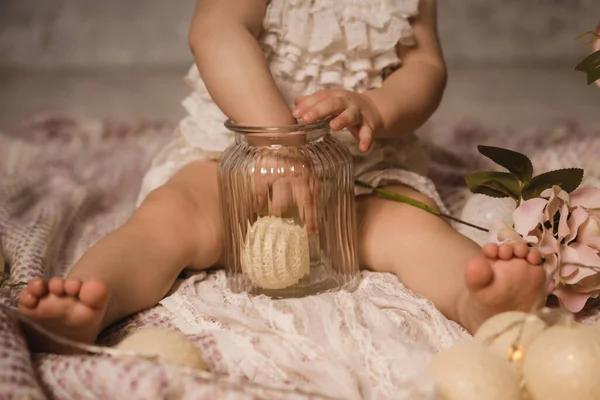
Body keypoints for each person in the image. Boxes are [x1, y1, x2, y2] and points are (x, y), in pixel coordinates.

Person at [18, 0, 546, 352]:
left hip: (358, 166)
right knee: (171, 219)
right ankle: (93, 298)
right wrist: (275, 141)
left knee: (415, 228)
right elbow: (216, 31)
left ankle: (478, 301)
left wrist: (377, 108)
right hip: (234, 158)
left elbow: (425, 67)